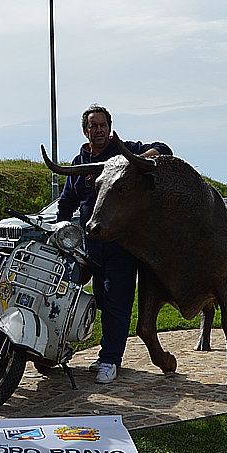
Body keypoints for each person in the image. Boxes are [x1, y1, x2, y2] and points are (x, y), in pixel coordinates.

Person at [56, 104, 171, 384]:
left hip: (121, 242)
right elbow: (68, 200)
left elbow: (164, 148)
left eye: (103, 125)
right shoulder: (79, 160)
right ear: (85, 130)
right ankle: (102, 351)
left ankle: (110, 359)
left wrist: (133, 160)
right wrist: (59, 224)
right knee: (101, 299)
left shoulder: (124, 149)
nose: (98, 130)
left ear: (110, 128)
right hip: (91, 243)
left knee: (117, 298)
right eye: (93, 126)